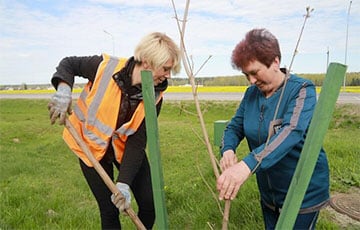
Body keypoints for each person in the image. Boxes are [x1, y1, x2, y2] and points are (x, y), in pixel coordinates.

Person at [48, 32, 181, 229]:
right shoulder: (104, 67)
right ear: (147, 62)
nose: (168, 75)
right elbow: (69, 63)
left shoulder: (155, 96)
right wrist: (64, 89)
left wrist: (124, 183)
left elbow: (137, 141)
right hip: (91, 148)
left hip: (124, 149)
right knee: (109, 210)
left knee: (150, 203)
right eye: (166, 68)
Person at [216, 28, 329, 229]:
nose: (251, 81)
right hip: (269, 193)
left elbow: (291, 131)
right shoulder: (251, 94)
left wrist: (247, 164)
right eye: (245, 75)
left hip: (302, 194)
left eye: (254, 72)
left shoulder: (302, 90)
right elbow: (234, 127)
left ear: (275, 62)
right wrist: (228, 150)